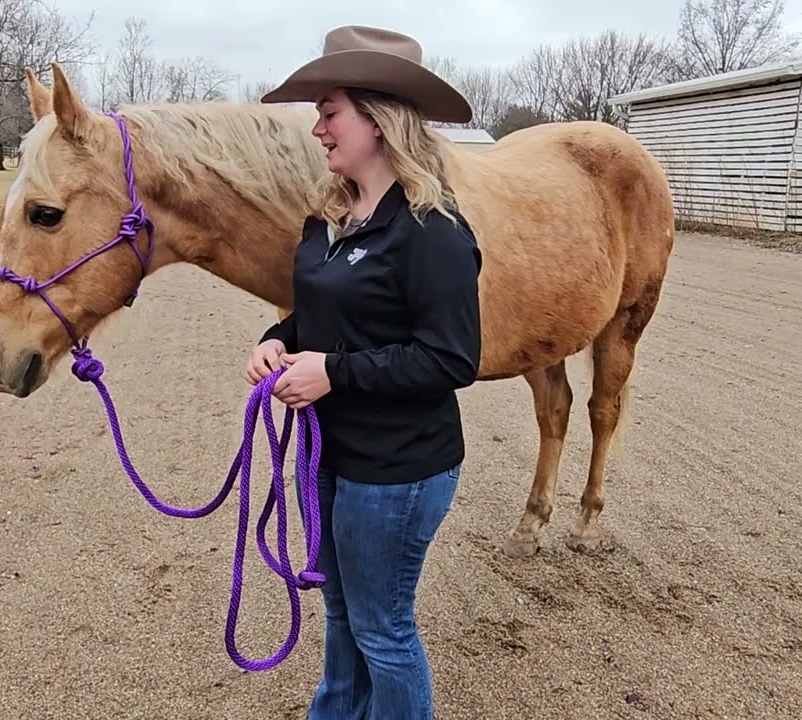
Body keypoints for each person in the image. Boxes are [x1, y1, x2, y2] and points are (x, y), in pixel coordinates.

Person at [243, 25, 483, 720]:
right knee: (344, 619)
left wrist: (333, 374)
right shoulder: (329, 220)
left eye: (330, 112)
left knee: (383, 628)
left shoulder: (432, 230)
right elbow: (315, 319)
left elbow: (450, 358)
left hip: (397, 470)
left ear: (379, 119)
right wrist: (275, 341)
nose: (317, 130)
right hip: (330, 456)